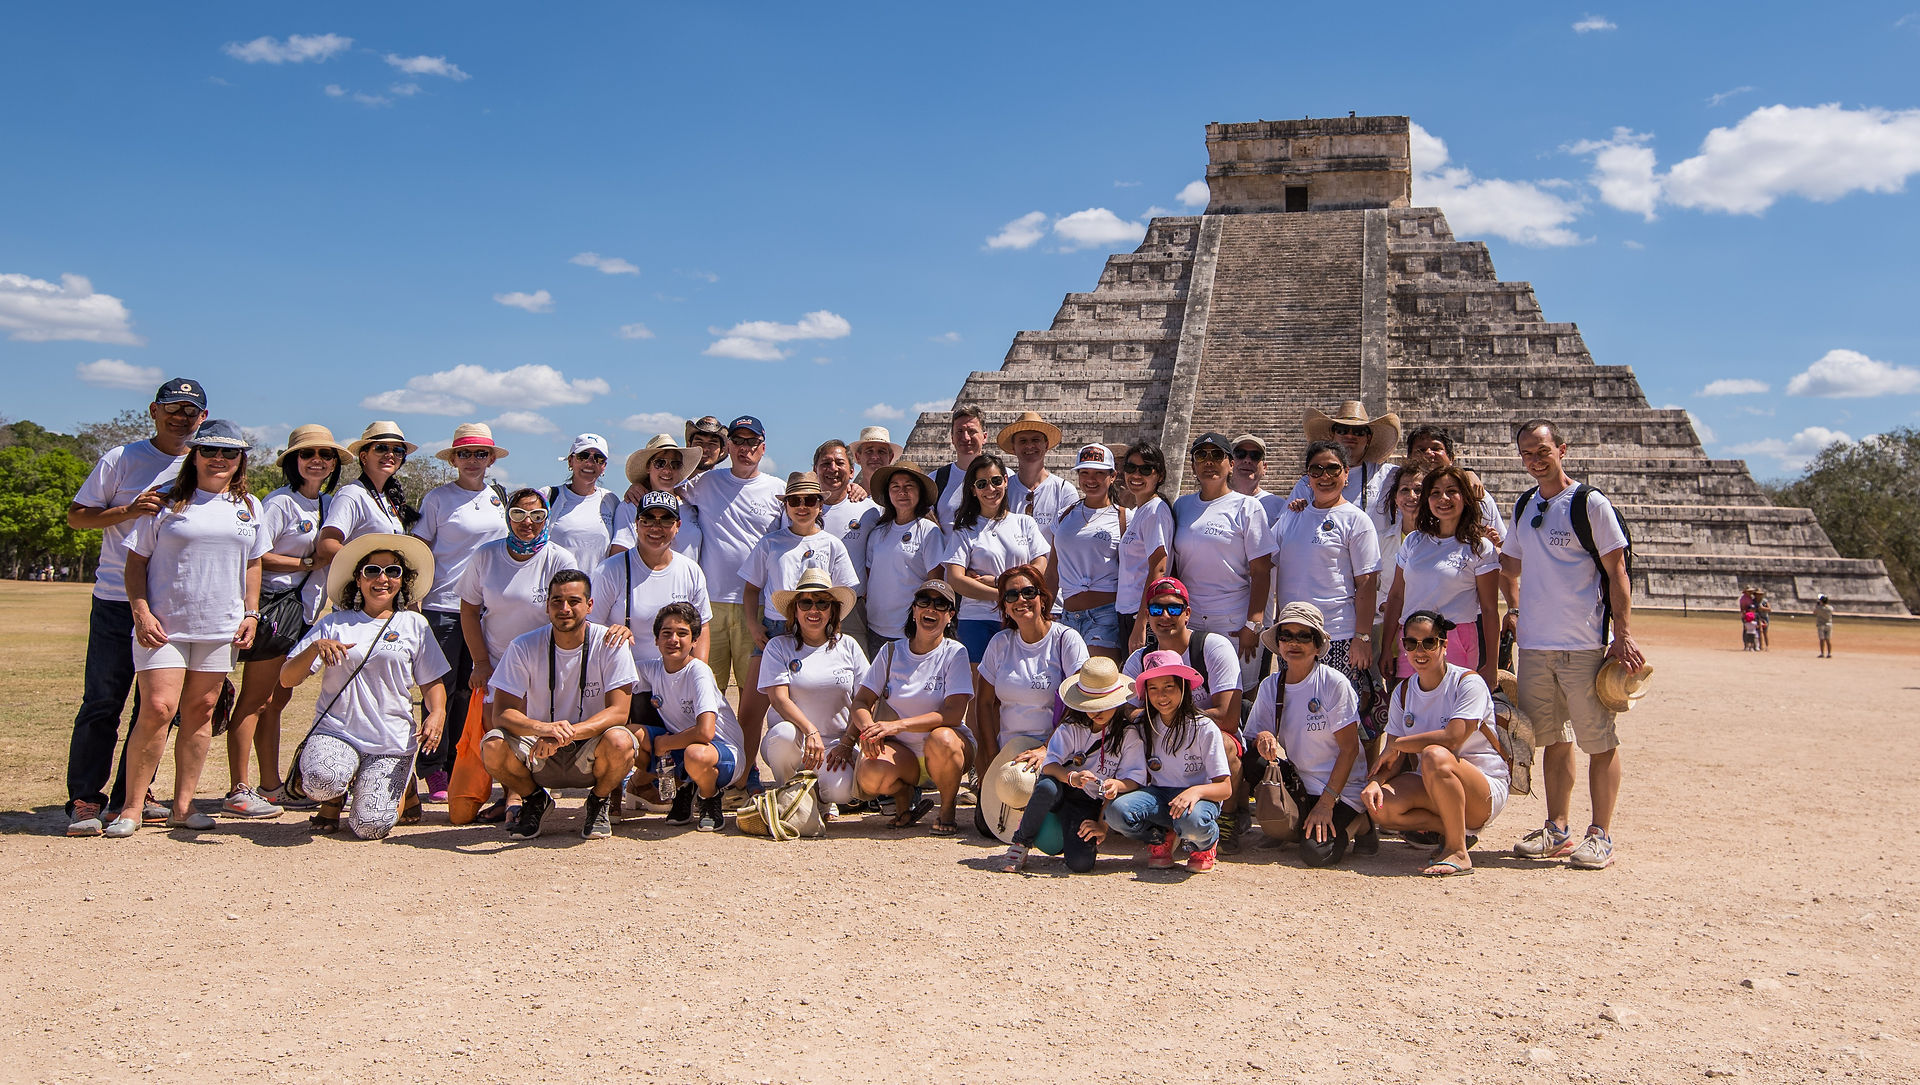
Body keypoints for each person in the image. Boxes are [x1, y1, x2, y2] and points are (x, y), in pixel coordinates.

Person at [106, 420, 268, 837]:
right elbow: (135, 563)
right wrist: (141, 612)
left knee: (202, 712)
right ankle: (131, 807)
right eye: (209, 450)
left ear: (240, 460)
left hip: (221, 627)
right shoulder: (164, 503)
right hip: (165, 626)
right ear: (194, 455)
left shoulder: (249, 506)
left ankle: (183, 806)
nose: (219, 459)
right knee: (158, 708)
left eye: (229, 453)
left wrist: (251, 613)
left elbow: (253, 564)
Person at [64, 376, 206, 836]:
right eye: (173, 407)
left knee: (156, 707)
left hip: (171, 606)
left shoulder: (205, 463)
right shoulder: (122, 459)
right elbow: (77, 515)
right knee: (103, 700)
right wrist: (128, 511)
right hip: (115, 599)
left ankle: (134, 794)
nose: (181, 416)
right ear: (154, 410)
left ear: (202, 418)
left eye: (191, 410)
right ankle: (86, 798)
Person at [1500, 418, 1641, 871]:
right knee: (1553, 740)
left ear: (1563, 449)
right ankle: (1557, 828)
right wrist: (1516, 609)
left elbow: (1618, 571)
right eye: (1526, 453)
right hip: (1537, 645)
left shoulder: (1589, 504)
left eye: (1542, 450)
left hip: (1582, 642)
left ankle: (1600, 833)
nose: (1535, 459)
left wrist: (1622, 635)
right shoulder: (1524, 506)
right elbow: (1508, 564)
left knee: (1598, 740)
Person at [281, 536, 450, 840]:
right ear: (357, 579)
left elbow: (432, 681)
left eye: (393, 572)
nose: (382, 579)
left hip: (391, 739)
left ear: (403, 581)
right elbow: (287, 678)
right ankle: (332, 801)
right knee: (323, 779)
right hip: (338, 732)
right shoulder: (334, 623)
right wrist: (314, 649)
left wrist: (437, 713)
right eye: (372, 570)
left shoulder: (415, 624)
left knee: (370, 827)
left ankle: (405, 786)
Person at [226, 424, 348, 815]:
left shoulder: (328, 505)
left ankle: (271, 785)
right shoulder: (279, 502)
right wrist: (308, 562)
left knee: (278, 701)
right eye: (308, 454)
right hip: (274, 609)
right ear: (293, 461)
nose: (317, 461)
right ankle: (238, 788)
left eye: (326, 455)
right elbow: (255, 554)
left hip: (307, 614)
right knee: (254, 700)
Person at [482, 570, 641, 841]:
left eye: (574, 601)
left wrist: (564, 734)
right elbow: (502, 712)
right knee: (492, 745)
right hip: (539, 746)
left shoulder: (611, 644)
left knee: (621, 741)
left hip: (590, 745)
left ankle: (598, 801)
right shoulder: (523, 645)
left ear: (590, 605)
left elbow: (619, 711)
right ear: (546, 605)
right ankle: (534, 801)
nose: (564, 609)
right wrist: (544, 728)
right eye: (556, 601)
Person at [458, 488, 580, 820]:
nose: (528, 522)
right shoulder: (485, 556)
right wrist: (480, 662)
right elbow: (469, 611)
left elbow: (571, 613)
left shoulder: (560, 559)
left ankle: (519, 797)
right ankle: (515, 792)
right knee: (497, 727)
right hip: (497, 661)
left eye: (537, 516)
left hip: (544, 663)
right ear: (507, 516)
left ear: (547, 519)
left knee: (532, 727)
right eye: (519, 514)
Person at [1363, 610, 1511, 877]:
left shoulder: (1468, 682)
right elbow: (1392, 757)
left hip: (1483, 788)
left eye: (1429, 643)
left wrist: (1398, 744)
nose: (1420, 651)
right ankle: (1452, 830)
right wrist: (1376, 782)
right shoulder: (1404, 691)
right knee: (1380, 805)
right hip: (1435, 783)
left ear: (1444, 645)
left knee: (1434, 754)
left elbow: (1453, 738)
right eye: (1411, 644)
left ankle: (1458, 851)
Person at [682, 415, 785, 786]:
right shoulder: (706, 483)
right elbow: (663, 484)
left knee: (751, 700)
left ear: (763, 446)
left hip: (753, 607)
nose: (744, 448)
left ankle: (746, 770)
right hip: (707, 605)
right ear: (728, 447)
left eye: (751, 441)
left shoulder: (777, 490)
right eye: (737, 441)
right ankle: (711, 769)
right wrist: (634, 488)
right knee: (705, 694)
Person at [410, 422, 510, 802]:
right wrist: (415, 599)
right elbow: (419, 551)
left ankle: (466, 763)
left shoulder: (498, 497)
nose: (473, 461)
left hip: (487, 609)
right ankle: (435, 768)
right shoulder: (438, 499)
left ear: (490, 459)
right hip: (444, 607)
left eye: (480, 454)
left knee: (477, 692)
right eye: (465, 453)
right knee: (442, 691)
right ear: (453, 459)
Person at [742, 471, 860, 778]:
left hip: (818, 625)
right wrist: (754, 627)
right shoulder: (771, 543)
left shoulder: (831, 544)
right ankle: (744, 777)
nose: (802, 506)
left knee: (822, 696)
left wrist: (832, 628)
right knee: (753, 708)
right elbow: (752, 588)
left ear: (820, 505)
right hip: (775, 627)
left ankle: (821, 770)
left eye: (810, 500)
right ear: (786, 505)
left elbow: (844, 591)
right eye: (795, 501)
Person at [1243, 602, 1374, 867]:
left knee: (1316, 854)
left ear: (1317, 645)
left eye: (1304, 636)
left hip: (1340, 788)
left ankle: (1361, 822)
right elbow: (1255, 736)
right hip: (1300, 784)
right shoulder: (1271, 685)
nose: (1294, 643)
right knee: (1249, 760)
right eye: (1286, 636)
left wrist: (1327, 803)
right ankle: (1288, 827)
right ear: (1278, 643)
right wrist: (1264, 737)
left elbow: (1349, 750)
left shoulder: (1333, 683)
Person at [1120, 577, 1248, 847]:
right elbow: (1125, 712)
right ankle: (1160, 821)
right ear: (1147, 615)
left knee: (1224, 744)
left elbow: (1227, 717)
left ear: (1187, 613)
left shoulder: (1213, 647)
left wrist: (1171, 717)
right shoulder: (1139, 658)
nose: (1165, 616)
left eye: (1174, 608)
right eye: (1156, 609)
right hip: (1161, 740)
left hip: (1209, 739)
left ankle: (1228, 818)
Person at [992, 657, 1144, 874]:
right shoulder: (1071, 727)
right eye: (1090, 704)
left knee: (1080, 864)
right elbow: (1050, 766)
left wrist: (1109, 804)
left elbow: (1133, 780)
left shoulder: (1128, 736)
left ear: (1118, 702)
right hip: (1062, 790)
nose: (1096, 711)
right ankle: (1021, 842)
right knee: (1046, 787)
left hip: (1090, 802)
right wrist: (1072, 778)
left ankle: (1058, 834)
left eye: (1103, 704)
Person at [849, 579, 975, 833]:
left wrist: (897, 725)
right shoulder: (891, 651)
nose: (932, 608)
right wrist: (868, 730)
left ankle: (947, 807)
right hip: (903, 753)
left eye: (941, 604)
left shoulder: (955, 653)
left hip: (946, 750)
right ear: (914, 610)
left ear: (950, 616)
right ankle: (903, 795)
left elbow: (953, 714)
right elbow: (861, 702)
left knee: (943, 738)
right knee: (869, 773)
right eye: (924, 602)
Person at [1267, 441, 1382, 710]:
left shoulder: (1356, 520)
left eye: (1332, 469)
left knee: (1338, 715)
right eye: (1316, 470)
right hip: (1292, 634)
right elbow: (1267, 560)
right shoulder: (1291, 516)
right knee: (1297, 712)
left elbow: (1366, 582)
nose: (1324, 477)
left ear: (1345, 473)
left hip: (1337, 635)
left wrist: (1362, 638)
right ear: (1307, 476)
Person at [1103, 650, 1231, 872]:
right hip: (1159, 795)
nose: (1161, 696)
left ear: (1183, 687)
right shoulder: (1143, 725)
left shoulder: (1204, 727)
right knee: (1116, 813)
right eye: (1153, 689)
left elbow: (1225, 787)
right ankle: (1160, 836)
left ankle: (1205, 843)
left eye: (1169, 687)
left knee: (1191, 822)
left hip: (1198, 799)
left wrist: (1195, 792)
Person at [628, 602, 748, 832]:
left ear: (694, 641)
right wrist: (617, 640)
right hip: (680, 748)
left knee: (695, 754)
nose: (673, 639)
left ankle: (709, 797)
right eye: (666, 633)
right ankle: (684, 787)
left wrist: (664, 743)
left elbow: (705, 732)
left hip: (720, 752)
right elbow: (614, 673)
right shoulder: (651, 669)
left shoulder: (698, 672)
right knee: (629, 736)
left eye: (682, 633)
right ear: (656, 640)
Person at [757, 568, 870, 811]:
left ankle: (817, 798)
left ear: (833, 611)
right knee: (784, 735)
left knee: (841, 792)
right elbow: (778, 699)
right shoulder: (778, 647)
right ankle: (790, 793)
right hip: (796, 740)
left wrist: (848, 742)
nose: (814, 610)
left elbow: (866, 699)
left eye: (822, 603)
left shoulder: (848, 646)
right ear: (795, 610)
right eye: (806, 603)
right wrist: (810, 731)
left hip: (835, 746)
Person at [1382, 464, 1500, 689]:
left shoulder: (1479, 547)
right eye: (1435, 493)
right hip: (1411, 640)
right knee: (1410, 712)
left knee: (1453, 714)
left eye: (1451, 491)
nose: (1443, 498)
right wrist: (1387, 647)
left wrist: (1492, 664)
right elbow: (1396, 596)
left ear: (1465, 497)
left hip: (1456, 640)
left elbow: (1489, 609)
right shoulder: (1413, 541)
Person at [1172, 432, 1273, 684]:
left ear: (1230, 463)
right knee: (1192, 691)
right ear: (1193, 465)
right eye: (1201, 456)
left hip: (1233, 619)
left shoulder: (1247, 507)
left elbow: (1261, 571)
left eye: (1217, 455)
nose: (1209, 462)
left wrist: (1253, 625)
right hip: (1190, 618)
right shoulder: (1181, 506)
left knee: (1237, 693)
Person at [977, 565, 1090, 780]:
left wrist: (1046, 749)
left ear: (1043, 598)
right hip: (1007, 754)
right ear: (1005, 607)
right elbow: (983, 703)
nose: (1021, 600)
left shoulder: (1066, 639)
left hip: (1056, 752)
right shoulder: (999, 643)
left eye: (1028, 592)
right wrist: (992, 757)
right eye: (1011, 595)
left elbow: (1079, 702)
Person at [943, 453, 1049, 666]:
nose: (990, 489)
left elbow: (1040, 566)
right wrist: (1005, 596)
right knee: (979, 691)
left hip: (1022, 617)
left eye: (996, 481)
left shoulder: (1025, 523)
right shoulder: (964, 530)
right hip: (977, 619)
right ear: (973, 490)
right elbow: (955, 579)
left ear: (1006, 481)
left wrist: (999, 582)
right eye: (982, 484)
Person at [591, 491, 712, 666]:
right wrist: (610, 633)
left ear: (677, 525)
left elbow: (703, 627)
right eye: (647, 520)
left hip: (673, 681)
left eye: (666, 520)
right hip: (626, 681)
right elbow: (591, 627)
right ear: (636, 523)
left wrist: (699, 675)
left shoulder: (691, 570)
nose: (656, 527)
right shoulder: (609, 570)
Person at [1045, 444, 1127, 661]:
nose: (1091, 479)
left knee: (1095, 683)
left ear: (1112, 476)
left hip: (1106, 616)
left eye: (1099, 473)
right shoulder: (1064, 516)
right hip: (1067, 616)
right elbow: (1052, 572)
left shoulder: (1125, 518)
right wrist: (1043, 613)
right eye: (1085, 473)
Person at [858, 461, 943, 657]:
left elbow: (935, 582)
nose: (902, 492)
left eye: (909, 486)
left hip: (911, 630)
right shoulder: (877, 533)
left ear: (920, 492)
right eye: (895, 487)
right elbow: (871, 578)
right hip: (875, 627)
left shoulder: (929, 532)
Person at [1287, 401, 1400, 537]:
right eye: (1342, 430)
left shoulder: (1389, 475)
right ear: (1332, 435)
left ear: (1368, 438)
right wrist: (1297, 508)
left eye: (1358, 432)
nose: (1350, 436)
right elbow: (1286, 524)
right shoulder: (1311, 479)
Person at [317, 421, 420, 563]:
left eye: (398, 451)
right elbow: (326, 545)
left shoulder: (388, 498)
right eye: (381, 448)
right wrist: (367, 565)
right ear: (364, 457)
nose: (390, 454)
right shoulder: (351, 495)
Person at [812, 440, 879, 648]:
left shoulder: (870, 511)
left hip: (853, 608)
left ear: (851, 471)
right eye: (826, 463)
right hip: (810, 606)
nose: (833, 469)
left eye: (839, 463)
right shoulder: (801, 509)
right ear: (815, 470)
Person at [1393, 426, 1506, 543]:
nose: (1428, 453)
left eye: (1436, 448)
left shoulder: (1476, 495)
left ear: (1451, 458)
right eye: (1421, 450)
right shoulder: (1402, 495)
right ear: (1409, 458)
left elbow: (1500, 543)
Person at [1116, 441, 1174, 655]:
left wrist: (1142, 621)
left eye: (1145, 469)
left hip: (1140, 615)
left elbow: (1158, 569)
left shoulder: (1154, 512)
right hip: (1128, 610)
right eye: (1131, 468)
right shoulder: (1142, 510)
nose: (1136, 475)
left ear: (1159, 475)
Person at [614, 433, 702, 563]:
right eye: (660, 463)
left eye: (675, 464)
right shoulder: (631, 505)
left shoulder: (691, 505)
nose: (667, 470)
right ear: (648, 467)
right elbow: (619, 558)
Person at [545, 433, 631, 562]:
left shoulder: (610, 500)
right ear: (570, 461)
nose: (590, 463)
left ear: (604, 466)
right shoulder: (549, 496)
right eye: (583, 456)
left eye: (598, 458)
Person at [998, 411, 1077, 542]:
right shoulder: (1002, 490)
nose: (1029, 446)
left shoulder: (1064, 491)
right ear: (1013, 447)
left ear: (1046, 445)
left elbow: (1069, 541)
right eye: (1023, 441)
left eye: (1035, 440)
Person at [933, 405, 988, 529]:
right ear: (952, 438)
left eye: (972, 431)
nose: (966, 438)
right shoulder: (935, 480)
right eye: (960, 431)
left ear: (984, 437)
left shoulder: (1002, 477)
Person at [1230, 434, 1288, 522]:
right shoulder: (1214, 502)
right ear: (1230, 464)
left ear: (1264, 468)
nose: (1247, 460)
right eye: (1240, 454)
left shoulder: (1280, 507)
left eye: (1255, 455)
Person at [683, 416, 727, 480]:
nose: (705, 449)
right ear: (689, 446)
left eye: (712, 444)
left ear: (722, 451)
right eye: (699, 442)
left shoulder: (726, 487)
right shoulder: (671, 485)